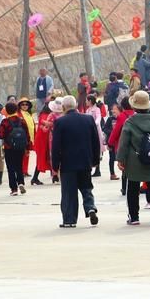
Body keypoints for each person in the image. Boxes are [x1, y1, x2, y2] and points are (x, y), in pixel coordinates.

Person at [116, 91, 150, 226]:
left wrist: (120, 159)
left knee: (132, 188)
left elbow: (124, 142)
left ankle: (134, 217)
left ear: (134, 107)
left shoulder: (130, 122)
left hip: (134, 159)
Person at [51, 96, 100, 228]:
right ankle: (90, 208)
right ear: (76, 105)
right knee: (86, 187)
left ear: (63, 107)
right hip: (85, 161)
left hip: (68, 163)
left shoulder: (60, 122)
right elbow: (95, 141)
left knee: (69, 192)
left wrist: (54, 165)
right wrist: (95, 160)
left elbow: (55, 146)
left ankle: (69, 220)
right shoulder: (88, 119)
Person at [0, 102, 32, 196]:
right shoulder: (22, 121)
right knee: (19, 166)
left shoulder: (5, 122)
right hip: (20, 147)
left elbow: (0, 135)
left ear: (7, 111)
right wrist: (27, 147)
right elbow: (27, 135)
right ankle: (21, 183)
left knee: (11, 168)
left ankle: (14, 189)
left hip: (9, 148)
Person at [108, 96, 134, 195]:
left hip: (124, 145)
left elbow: (116, 131)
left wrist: (110, 142)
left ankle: (124, 188)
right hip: (136, 145)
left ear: (122, 106)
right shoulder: (136, 114)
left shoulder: (122, 116)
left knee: (124, 169)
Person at [31, 99, 52, 185]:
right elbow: (44, 128)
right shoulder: (46, 116)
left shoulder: (43, 115)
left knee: (46, 158)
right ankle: (35, 178)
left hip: (44, 140)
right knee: (42, 158)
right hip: (43, 141)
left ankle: (54, 177)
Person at [85, 95, 105, 177]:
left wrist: (92, 124)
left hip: (96, 131)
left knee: (97, 150)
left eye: (87, 100)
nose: (86, 102)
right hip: (89, 131)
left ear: (90, 101)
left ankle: (97, 170)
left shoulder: (96, 110)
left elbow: (98, 119)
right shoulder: (88, 110)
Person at [17, 97, 35, 178]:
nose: (24, 106)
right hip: (22, 138)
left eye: (26, 104)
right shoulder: (18, 114)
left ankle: (25, 171)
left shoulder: (29, 114)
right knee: (22, 155)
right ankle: (21, 171)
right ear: (20, 106)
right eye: (22, 104)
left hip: (30, 138)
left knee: (27, 154)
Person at [103, 103, 120, 181]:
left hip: (120, 141)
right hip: (112, 141)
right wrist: (112, 132)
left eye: (115, 109)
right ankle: (112, 174)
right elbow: (105, 129)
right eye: (113, 109)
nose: (113, 110)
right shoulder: (110, 119)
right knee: (112, 158)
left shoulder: (121, 118)